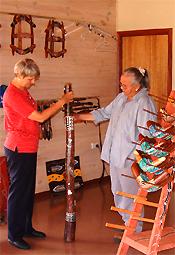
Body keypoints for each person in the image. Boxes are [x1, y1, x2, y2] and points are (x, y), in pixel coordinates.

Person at [74, 67, 157, 235]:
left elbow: (146, 135)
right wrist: (80, 117)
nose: (122, 88)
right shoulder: (121, 98)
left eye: (125, 85)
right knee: (117, 193)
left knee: (131, 196)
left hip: (130, 159)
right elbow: (104, 113)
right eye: (121, 84)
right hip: (115, 155)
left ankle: (134, 231)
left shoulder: (144, 103)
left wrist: (137, 160)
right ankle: (129, 226)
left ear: (137, 86)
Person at [3, 58, 73, 250]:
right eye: (31, 79)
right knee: (18, 193)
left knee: (27, 192)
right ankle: (14, 235)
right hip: (18, 149)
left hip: (28, 147)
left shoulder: (23, 91)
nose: (33, 83)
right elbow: (41, 117)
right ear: (20, 75)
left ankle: (26, 228)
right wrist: (62, 101)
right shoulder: (13, 95)